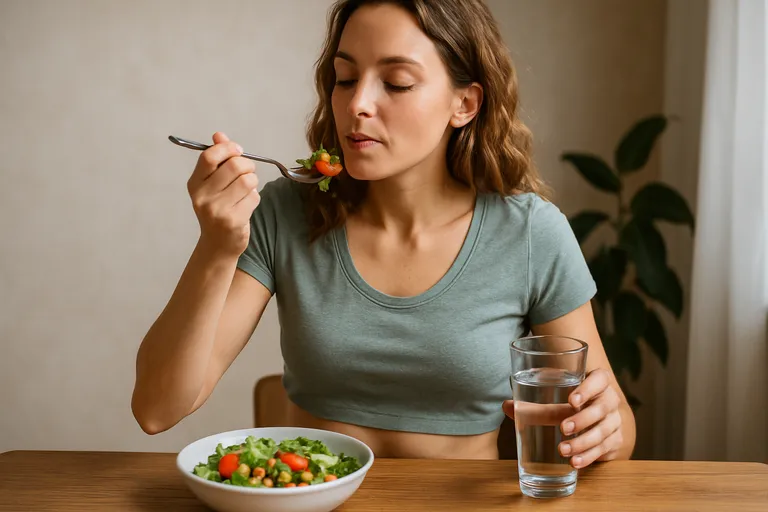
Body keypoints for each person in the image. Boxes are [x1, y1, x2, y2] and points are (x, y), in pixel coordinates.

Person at [131, 0, 636, 466]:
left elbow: (618, 426)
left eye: (396, 83)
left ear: (464, 103)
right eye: (345, 78)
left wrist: (603, 428)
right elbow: (156, 409)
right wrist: (217, 247)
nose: (358, 103)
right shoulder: (286, 212)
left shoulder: (530, 233)